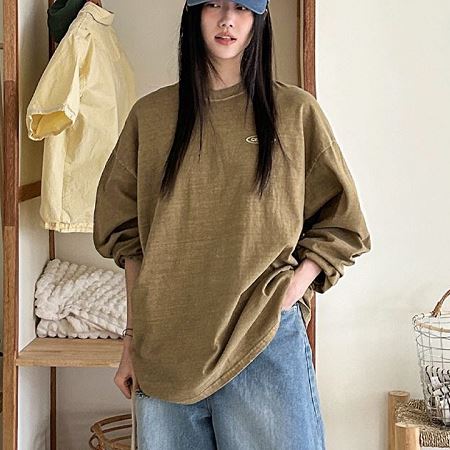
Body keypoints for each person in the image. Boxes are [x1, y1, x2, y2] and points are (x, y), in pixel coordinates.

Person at [92, 0, 372, 448]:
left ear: (259, 19)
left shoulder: (294, 113)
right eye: (214, 5)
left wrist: (290, 290)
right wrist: (131, 339)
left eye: (242, 7)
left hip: (262, 342)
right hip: (166, 353)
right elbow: (129, 241)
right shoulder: (152, 117)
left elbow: (342, 222)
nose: (227, 19)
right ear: (194, 13)